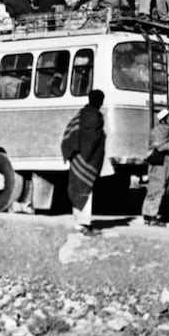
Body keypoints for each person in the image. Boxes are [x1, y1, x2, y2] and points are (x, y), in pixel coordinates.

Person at [61, 89, 106, 236]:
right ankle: (84, 225)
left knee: (77, 189)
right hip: (88, 159)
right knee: (86, 192)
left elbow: (71, 133)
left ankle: (78, 223)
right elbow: (94, 139)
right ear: (99, 101)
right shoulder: (95, 117)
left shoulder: (80, 114)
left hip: (77, 157)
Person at [141, 108, 169, 226]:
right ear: (163, 120)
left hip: (165, 161)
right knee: (157, 187)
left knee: (156, 186)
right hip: (159, 162)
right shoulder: (158, 131)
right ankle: (152, 216)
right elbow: (160, 148)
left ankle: (148, 214)